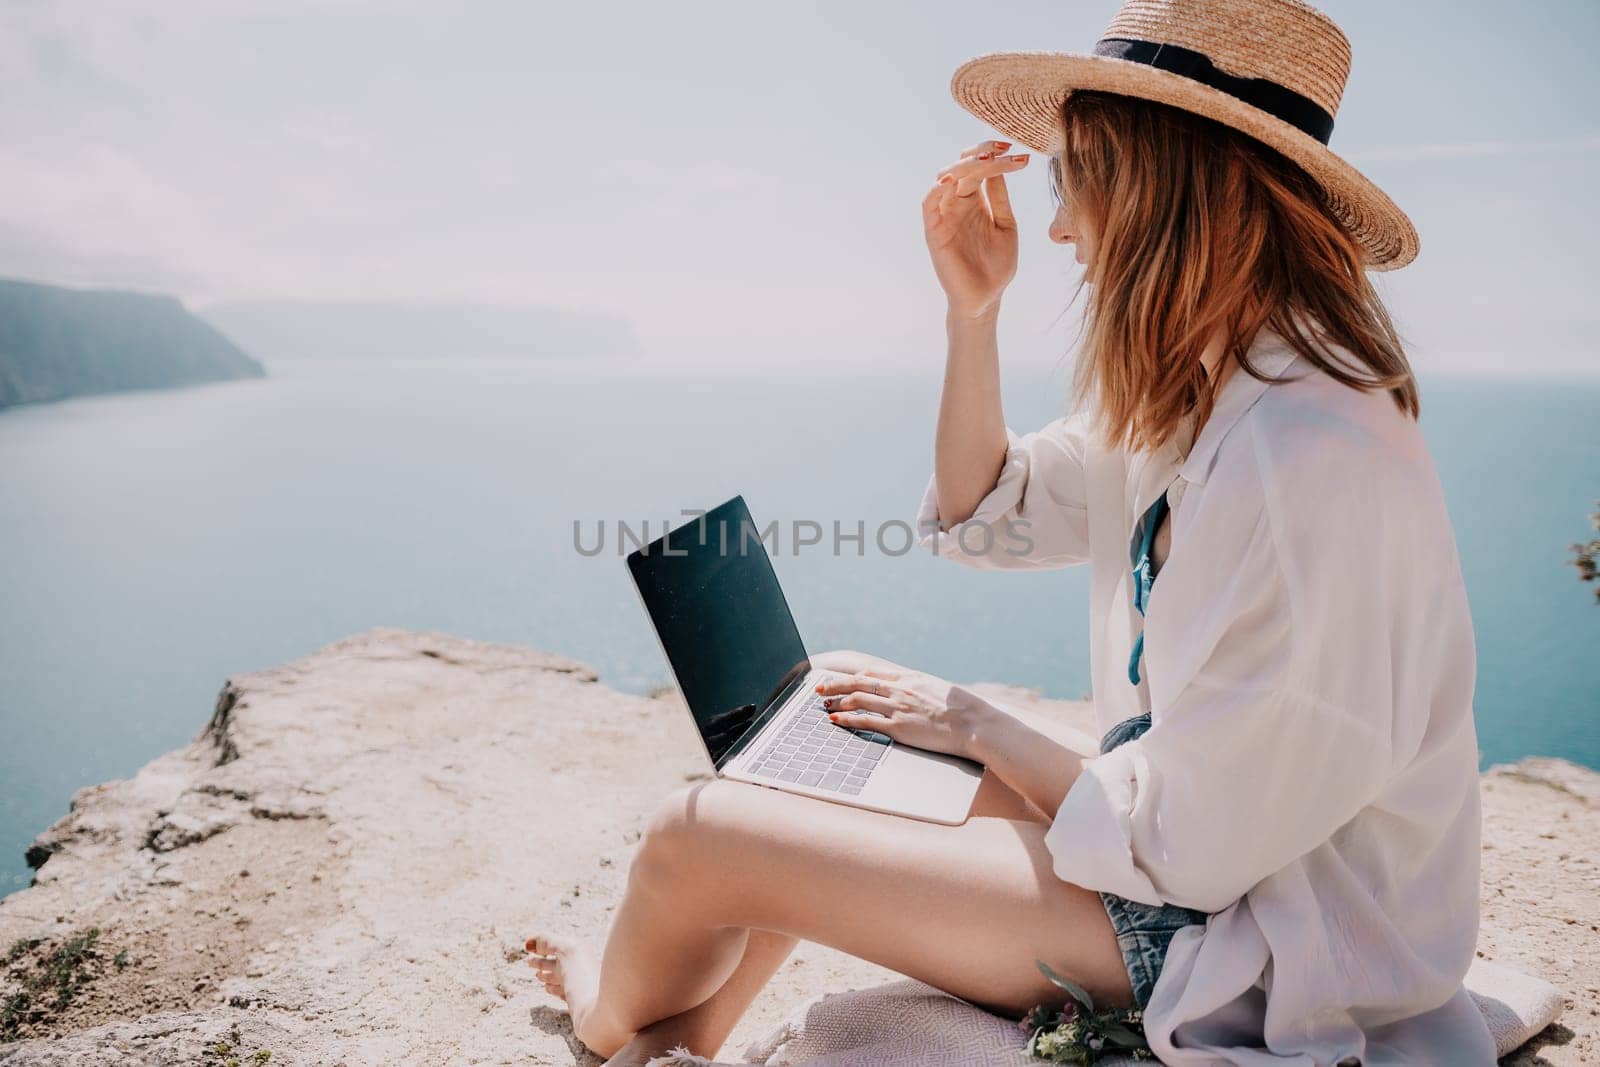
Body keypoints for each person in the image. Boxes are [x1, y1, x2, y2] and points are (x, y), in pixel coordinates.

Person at [525, 0, 1496, 1062]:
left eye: (1067, 175)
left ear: (1163, 184)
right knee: (835, 708)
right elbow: (992, 516)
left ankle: (608, 1020)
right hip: (1192, 864)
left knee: (692, 833)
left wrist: (985, 727)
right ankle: (686, 1023)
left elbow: (1198, 849)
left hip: (1256, 945)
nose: (1061, 226)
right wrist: (970, 313)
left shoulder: (1312, 459)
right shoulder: (1210, 388)